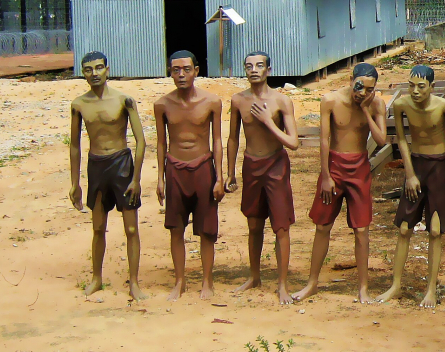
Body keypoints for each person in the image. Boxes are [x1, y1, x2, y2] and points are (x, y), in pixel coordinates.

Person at [295, 62, 388, 303]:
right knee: (323, 226)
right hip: (334, 167)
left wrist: (366, 109)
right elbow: (325, 140)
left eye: (369, 89)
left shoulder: (376, 104)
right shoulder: (330, 100)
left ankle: (363, 288)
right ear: (350, 79)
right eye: (359, 87)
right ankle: (312, 283)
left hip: (359, 168)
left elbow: (380, 140)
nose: (363, 93)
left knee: (361, 230)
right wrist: (325, 176)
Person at [377, 64, 445, 308]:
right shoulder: (401, 105)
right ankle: (395, 285)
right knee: (405, 228)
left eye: (421, 86)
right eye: (411, 85)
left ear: (432, 87)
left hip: (439, 165)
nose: (415, 91)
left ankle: (431, 289)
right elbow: (401, 140)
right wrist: (409, 173)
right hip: (415, 165)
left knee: (436, 230)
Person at [68, 51, 147, 301]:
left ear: (108, 69)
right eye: (89, 69)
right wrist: (75, 183)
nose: (95, 73)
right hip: (97, 166)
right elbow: (74, 145)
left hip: (121, 164)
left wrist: (136, 178)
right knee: (98, 227)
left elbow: (141, 141)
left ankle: (134, 282)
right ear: (83, 73)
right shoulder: (79, 104)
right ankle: (96, 278)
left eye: (99, 68)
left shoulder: (124, 100)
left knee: (131, 228)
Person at [225, 51, 299, 304]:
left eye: (259, 65)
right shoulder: (237, 100)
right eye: (249, 66)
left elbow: (293, 142)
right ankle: (254, 276)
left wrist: (269, 121)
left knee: (280, 226)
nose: (254, 70)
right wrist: (230, 171)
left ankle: (282, 284)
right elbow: (233, 137)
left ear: (268, 69)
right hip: (251, 165)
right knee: (254, 224)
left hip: (275, 165)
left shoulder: (281, 101)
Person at [154, 50, 224, 301]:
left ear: (196, 71)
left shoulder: (212, 102)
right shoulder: (162, 104)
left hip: (203, 166)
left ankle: (207, 281)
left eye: (186, 69)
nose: (181, 74)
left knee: (206, 229)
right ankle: (180, 281)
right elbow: (161, 143)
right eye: (175, 70)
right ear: (170, 73)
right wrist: (160, 178)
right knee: (175, 227)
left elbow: (217, 140)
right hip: (175, 168)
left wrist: (219, 177)